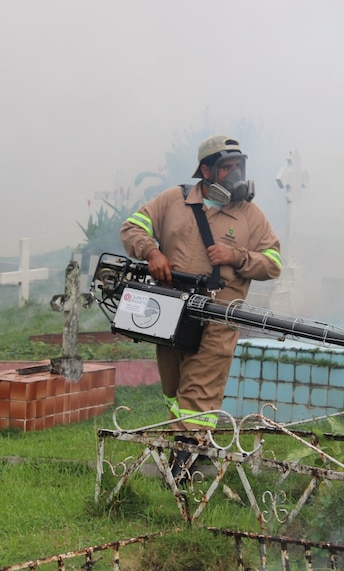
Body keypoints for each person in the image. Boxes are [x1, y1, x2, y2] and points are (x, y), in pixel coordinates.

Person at [120, 135, 282, 476]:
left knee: (199, 388)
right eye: (226, 166)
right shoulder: (171, 201)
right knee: (173, 385)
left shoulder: (250, 216)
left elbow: (272, 262)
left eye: (239, 166)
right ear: (205, 170)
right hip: (172, 310)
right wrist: (152, 252)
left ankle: (184, 459)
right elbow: (133, 227)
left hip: (220, 315)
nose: (235, 172)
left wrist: (237, 256)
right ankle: (192, 445)